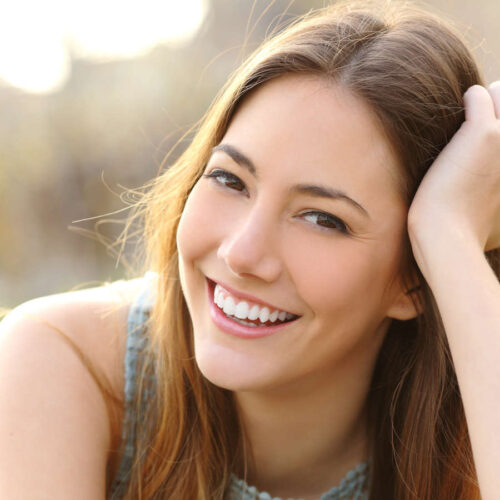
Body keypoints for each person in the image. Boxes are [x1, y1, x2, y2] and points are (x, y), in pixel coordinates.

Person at [0, 1, 499, 499]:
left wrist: (452, 241)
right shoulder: (60, 363)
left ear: (415, 279)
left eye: (323, 218)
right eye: (228, 179)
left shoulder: (471, 429)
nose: (242, 253)